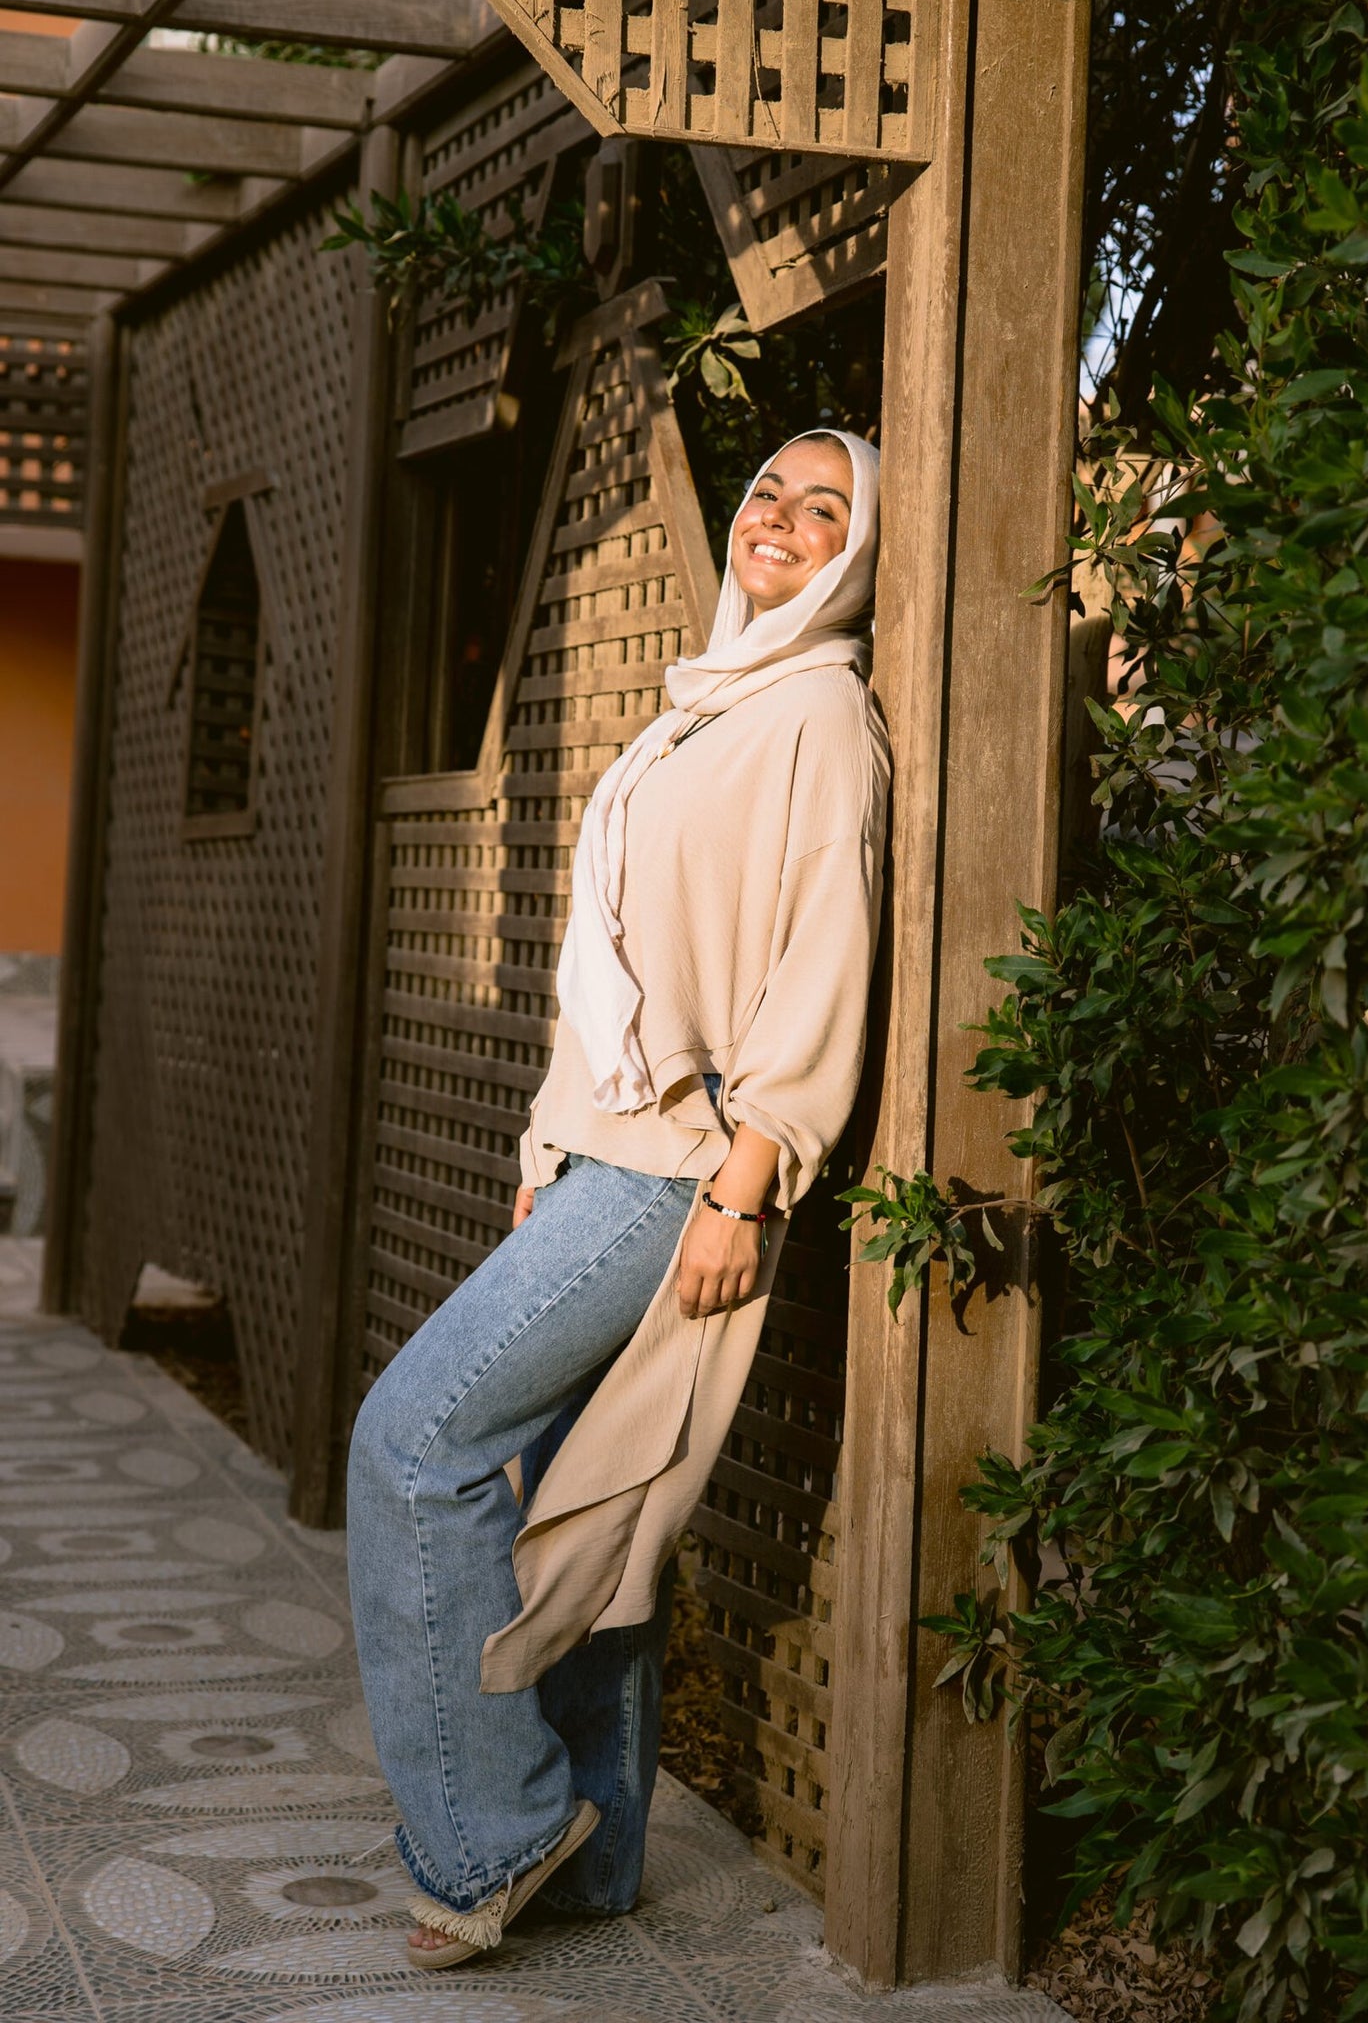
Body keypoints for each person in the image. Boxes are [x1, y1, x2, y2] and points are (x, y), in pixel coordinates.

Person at [346, 427, 892, 1969]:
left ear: (859, 553)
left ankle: (491, 1832)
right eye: (770, 494)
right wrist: (539, 1159)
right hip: (599, 1157)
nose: (782, 521)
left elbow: (820, 960)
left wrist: (751, 1176)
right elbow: (602, 982)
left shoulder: (815, 716)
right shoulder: (692, 711)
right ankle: (591, 1853)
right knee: (594, 1502)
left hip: (679, 1172)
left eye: (826, 508)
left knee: (413, 1446)